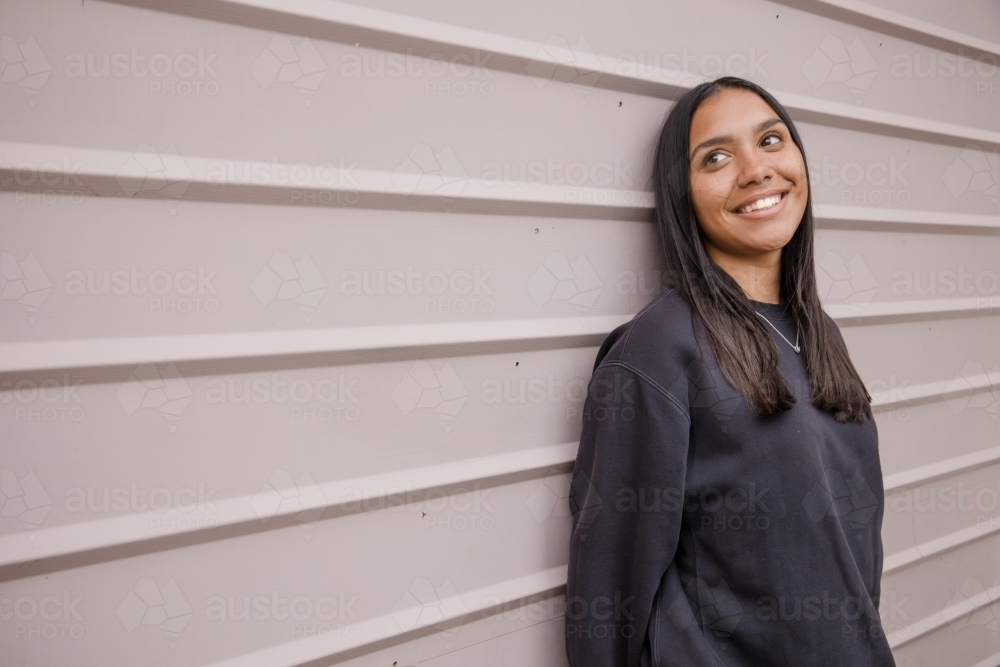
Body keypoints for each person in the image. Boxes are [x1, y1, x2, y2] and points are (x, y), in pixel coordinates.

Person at [564, 76, 895, 667]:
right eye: (716, 157)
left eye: (771, 141)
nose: (755, 169)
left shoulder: (819, 333)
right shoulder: (659, 349)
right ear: (682, 194)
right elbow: (606, 597)